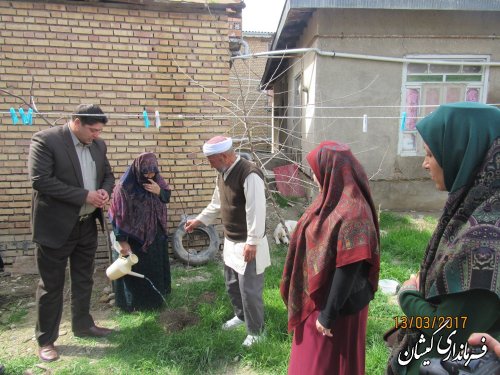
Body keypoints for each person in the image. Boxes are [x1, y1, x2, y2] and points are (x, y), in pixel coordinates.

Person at [387, 102, 500, 375]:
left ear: (464, 154)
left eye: (430, 154)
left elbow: (448, 331)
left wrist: (408, 296)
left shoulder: (485, 243)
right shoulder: (473, 211)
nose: (425, 164)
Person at [280, 141, 380, 375]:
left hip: (337, 307)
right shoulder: (328, 198)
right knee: (310, 364)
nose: (314, 176)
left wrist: (327, 316)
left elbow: (350, 266)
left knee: (328, 366)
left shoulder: (355, 211)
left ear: (331, 170)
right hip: (317, 296)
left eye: (316, 170)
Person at [28, 104, 115, 362]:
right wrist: (83, 195)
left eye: (100, 130)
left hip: (86, 224)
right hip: (56, 227)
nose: (96, 135)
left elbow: (108, 175)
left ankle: (83, 325)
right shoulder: (46, 140)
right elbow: (40, 180)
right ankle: (46, 340)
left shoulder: (99, 146)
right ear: (76, 122)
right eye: (92, 129)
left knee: (84, 278)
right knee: (51, 285)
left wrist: (104, 191)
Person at [184, 136, 270, 347]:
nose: (210, 165)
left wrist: (252, 242)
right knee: (232, 284)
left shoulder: (249, 174)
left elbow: (256, 210)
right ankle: (241, 317)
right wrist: (199, 221)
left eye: (211, 160)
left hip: (249, 243)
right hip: (231, 241)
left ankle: (257, 333)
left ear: (222, 156)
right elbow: (216, 204)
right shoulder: (222, 174)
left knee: (249, 289)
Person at [108, 152, 171, 311]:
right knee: (135, 269)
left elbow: (166, 196)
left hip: (154, 234)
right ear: (138, 169)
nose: (150, 175)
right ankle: (134, 305)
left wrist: (159, 191)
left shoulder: (157, 180)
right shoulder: (124, 187)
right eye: (146, 172)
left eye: (153, 171)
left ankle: (156, 300)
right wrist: (122, 240)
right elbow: (117, 215)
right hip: (133, 237)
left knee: (154, 267)